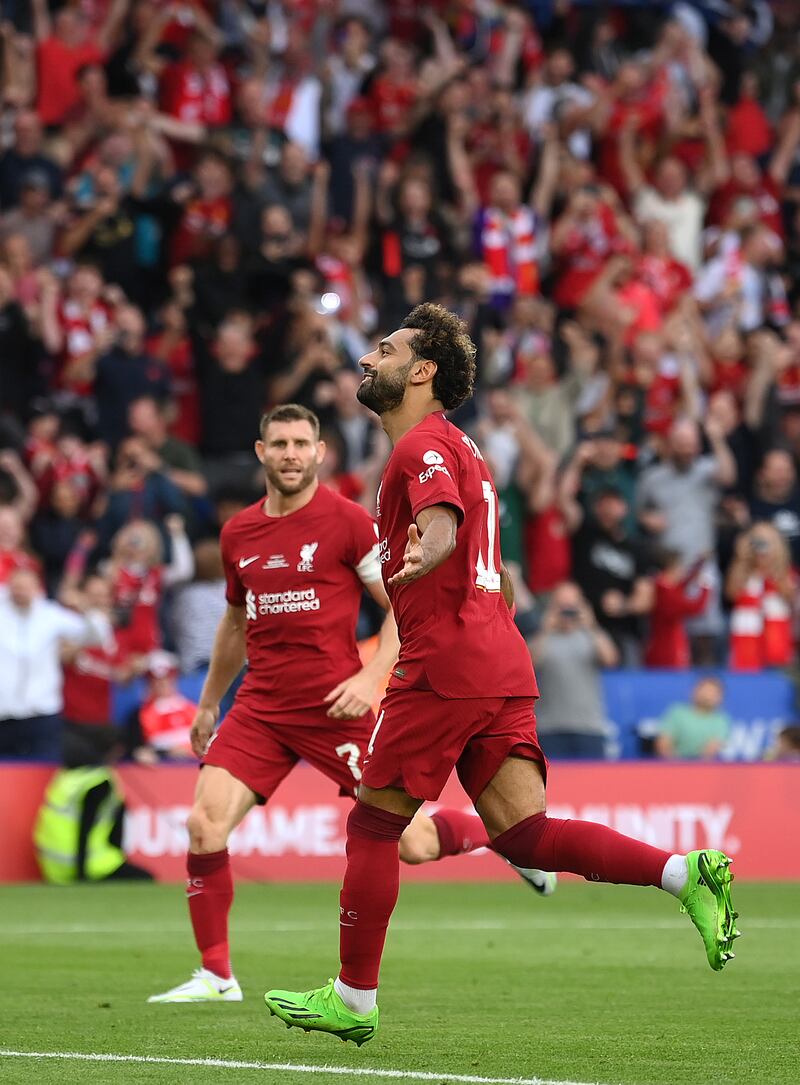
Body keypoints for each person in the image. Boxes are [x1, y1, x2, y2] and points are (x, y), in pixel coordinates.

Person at [265, 303, 740, 1046]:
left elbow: (445, 523)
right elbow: (502, 571)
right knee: (524, 834)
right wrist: (466, 587)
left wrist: (430, 551)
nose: (367, 360)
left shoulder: (419, 446)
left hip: (446, 662)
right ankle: (686, 873)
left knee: (373, 822)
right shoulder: (467, 447)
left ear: (421, 371)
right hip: (498, 657)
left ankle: (354, 1000)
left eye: (384, 351)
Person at [148, 403, 549, 1006]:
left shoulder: (348, 522)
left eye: (300, 443)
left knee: (409, 844)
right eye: (278, 443)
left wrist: (371, 676)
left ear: (318, 453)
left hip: (338, 701)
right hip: (260, 706)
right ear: (261, 453)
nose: (289, 453)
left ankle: (499, 836)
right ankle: (217, 975)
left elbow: (400, 601)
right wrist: (208, 703)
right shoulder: (238, 534)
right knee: (204, 824)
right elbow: (235, 623)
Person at [0, 566, 111, 760]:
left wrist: (85, 607)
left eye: (26, 588)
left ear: (37, 589)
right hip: (3, 712)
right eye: (16, 587)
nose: (20, 593)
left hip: (41, 712)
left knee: (41, 776)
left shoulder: (50, 615)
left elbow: (97, 636)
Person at [528, 582, 618, 759]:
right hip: (549, 728)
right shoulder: (542, 638)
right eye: (562, 605)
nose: (567, 612)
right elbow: (528, 664)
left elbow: (610, 660)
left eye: (572, 606)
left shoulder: (591, 636)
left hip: (589, 726)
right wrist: (545, 628)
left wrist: (591, 625)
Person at [655, 678, 731, 761]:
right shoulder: (677, 712)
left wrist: (695, 770)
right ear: (694, 692)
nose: (707, 696)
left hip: (701, 769)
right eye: (705, 691)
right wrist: (676, 766)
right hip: (672, 766)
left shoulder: (721, 719)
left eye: (713, 693)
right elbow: (663, 743)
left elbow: (710, 751)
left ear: (720, 697)